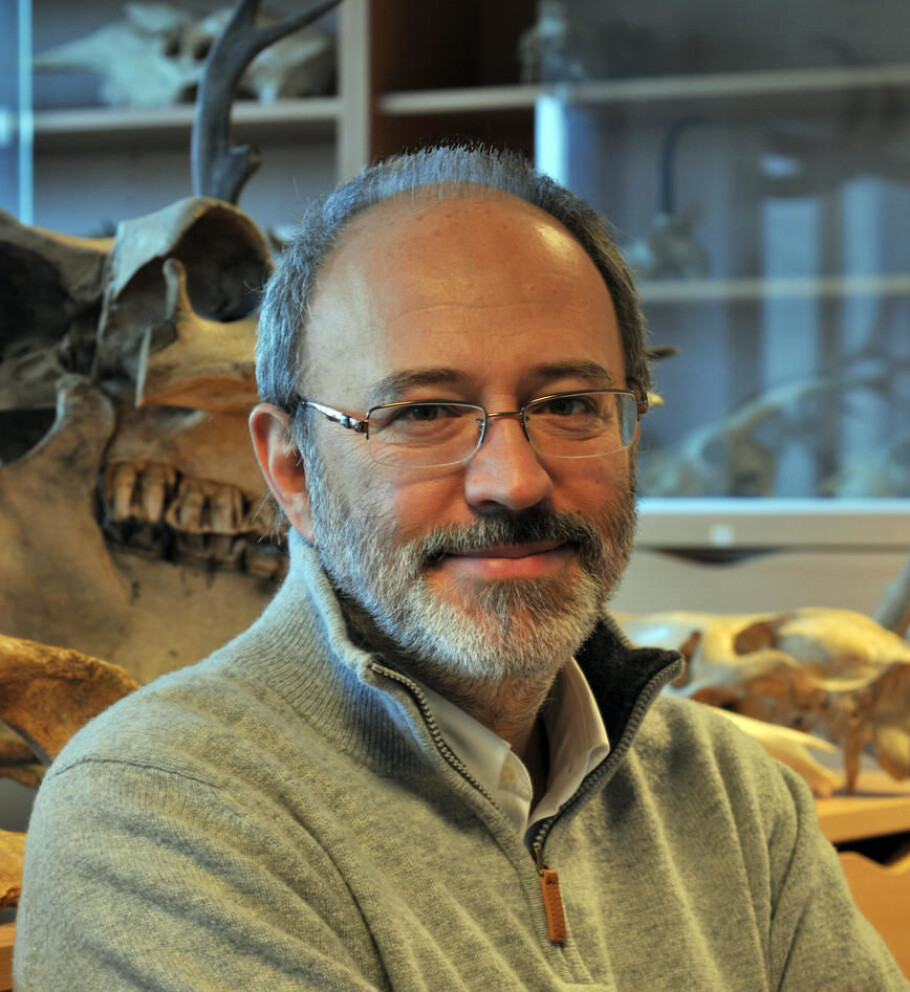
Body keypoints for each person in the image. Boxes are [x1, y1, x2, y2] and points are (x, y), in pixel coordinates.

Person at [14, 146, 908, 991]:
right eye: (424, 413)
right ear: (292, 469)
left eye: (569, 405)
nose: (513, 481)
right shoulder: (158, 811)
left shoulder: (733, 796)